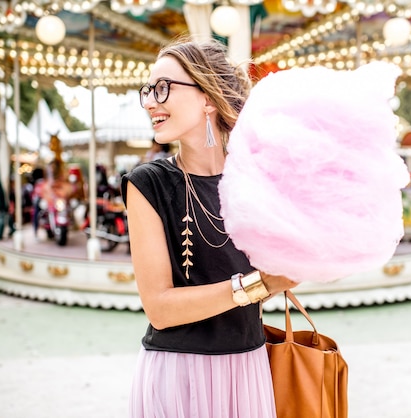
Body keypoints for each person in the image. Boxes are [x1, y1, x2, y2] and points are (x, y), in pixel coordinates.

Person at [121, 38, 297, 418]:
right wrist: (259, 283)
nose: (151, 100)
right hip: (177, 372)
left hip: (247, 367)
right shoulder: (147, 183)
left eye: (163, 87)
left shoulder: (256, 177)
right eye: (148, 90)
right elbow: (160, 309)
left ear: (207, 97)